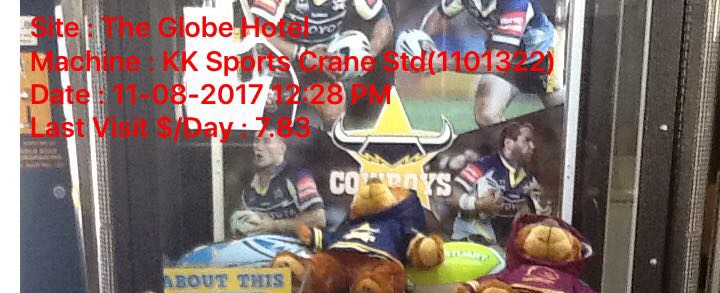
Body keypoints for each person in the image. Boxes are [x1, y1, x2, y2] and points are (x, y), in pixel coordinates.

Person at [248, 0, 394, 128]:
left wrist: (369, 54)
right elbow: (258, 31)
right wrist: (303, 54)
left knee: (334, 113)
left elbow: (383, 21)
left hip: (321, 67)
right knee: (264, 121)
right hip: (276, 65)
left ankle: (326, 147)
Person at [421, 0, 563, 127]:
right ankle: (513, 142)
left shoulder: (516, 3)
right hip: (507, 64)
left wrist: (444, 62)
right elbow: (440, 14)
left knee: (561, 120)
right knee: (486, 116)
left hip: (543, 61)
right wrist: (421, 43)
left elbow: (498, 61)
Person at [450, 121, 549, 245]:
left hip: (502, 244)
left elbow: (533, 213)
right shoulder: (484, 166)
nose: (532, 146)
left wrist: (540, 205)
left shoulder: (529, 178)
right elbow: (451, 193)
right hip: (470, 240)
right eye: (526, 141)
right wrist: (477, 203)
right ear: (508, 144)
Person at [230, 133, 326, 237]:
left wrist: (273, 225)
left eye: (266, 141)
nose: (259, 147)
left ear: (282, 148)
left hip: (291, 245)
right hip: (257, 245)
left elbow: (318, 219)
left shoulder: (298, 177)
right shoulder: (249, 185)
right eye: (256, 141)